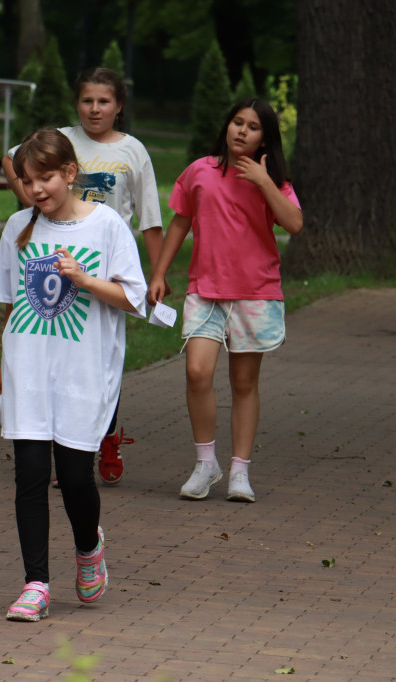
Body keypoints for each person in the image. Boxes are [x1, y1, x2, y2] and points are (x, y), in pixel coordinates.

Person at [0, 128, 147, 621]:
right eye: (28, 180)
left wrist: (85, 279)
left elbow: (134, 298)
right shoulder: (19, 228)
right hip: (29, 371)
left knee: (76, 478)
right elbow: (15, 307)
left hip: (83, 373)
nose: (37, 190)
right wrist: (2, 367)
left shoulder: (106, 227)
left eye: (47, 178)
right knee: (31, 476)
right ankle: (35, 584)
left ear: (71, 173)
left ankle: (88, 548)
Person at [1, 67, 164, 486]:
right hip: (49, 256)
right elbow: (14, 158)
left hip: (106, 261)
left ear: (119, 106)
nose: (94, 108)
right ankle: (61, 448)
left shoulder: (132, 151)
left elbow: (149, 218)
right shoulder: (61, 138)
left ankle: (98, 436)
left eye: (104, 101)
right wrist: (33, 204)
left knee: (97, 354)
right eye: (87, 100)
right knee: (52, 351)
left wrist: (157, 272)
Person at [148, 98, 302, 503]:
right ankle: (205, 464)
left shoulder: (274, 178)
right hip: (205, 290)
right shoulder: (200, 171)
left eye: (252, 127)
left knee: (243, 383)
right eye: (237, 122)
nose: (241, 131)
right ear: (227, 125)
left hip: (256, 293)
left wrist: (264, 182)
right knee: (197, 373)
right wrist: (160, 273)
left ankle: (239, 471)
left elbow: (295, 223)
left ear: (264, 138)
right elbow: (181, 220)